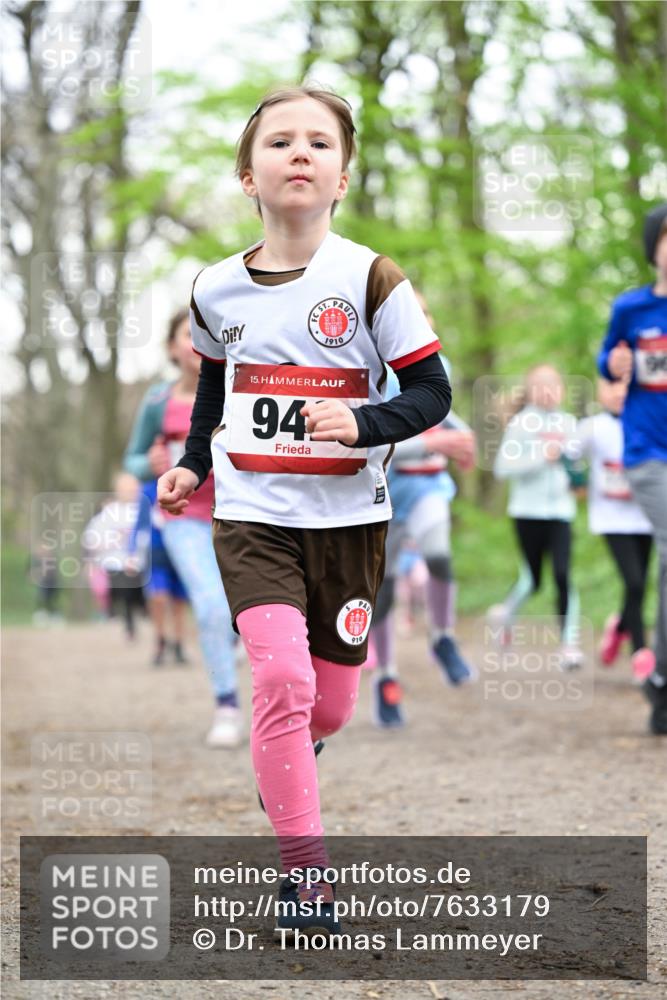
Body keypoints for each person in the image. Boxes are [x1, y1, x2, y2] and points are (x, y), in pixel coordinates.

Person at [157, 84, 451, 937]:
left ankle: (293, 754)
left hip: (350, 520)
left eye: (318, 144)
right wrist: (190, 463)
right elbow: (218, 383)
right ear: (247, 175)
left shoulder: (371, 278)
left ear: (342, 177)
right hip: (252, 515)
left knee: (327, 709)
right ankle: (304, 877)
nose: (299, 154)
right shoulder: (215, 289)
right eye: (278, 142)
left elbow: (431, 393)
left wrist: (362, 420)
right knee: (280, 682)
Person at [124, 310, 242, 748]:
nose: (194, 345)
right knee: (210, 606)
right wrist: (149, 465)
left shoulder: (239, 390)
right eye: (184, 337)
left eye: (201, 337)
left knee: (238, 611)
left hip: (243, 514)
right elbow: (132, 458)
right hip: (183, 519)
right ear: (172, 348)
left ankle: (235, 653)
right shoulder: (157, 401)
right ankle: (226, 704)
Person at [369, 347, 477, 729]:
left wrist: (464, 438)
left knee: (438, 555)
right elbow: (370, 438)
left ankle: (443, 636)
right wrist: (431, 444)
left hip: (430, 488)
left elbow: (446, 417)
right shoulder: (371, 367)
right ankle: (386, 676)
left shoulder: (437, 363)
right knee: (382, 591)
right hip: (383, 497)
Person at [598, 202, 667, 734]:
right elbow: (608, 358)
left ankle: (660, 677)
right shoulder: (632, 308)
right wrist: (614, 364)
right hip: (646, 451)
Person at [488, 364, 583, 669]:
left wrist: (580, 481)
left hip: (561, 513)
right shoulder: (521, 424)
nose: (549, 391)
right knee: (533, 581)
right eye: (542, 385)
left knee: (563, 574)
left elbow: (578, 465)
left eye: (555, 384)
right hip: (527, 513)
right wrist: (543, 456)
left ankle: (569, 645)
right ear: (530, 390)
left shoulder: (569, 423)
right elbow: (503, 468)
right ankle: (505, 618)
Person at [574, 379, 653, 679]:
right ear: (599, 391)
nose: (619, 393)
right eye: (611, 386)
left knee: (641, 585)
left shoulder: (648, 421)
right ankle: (641, 656)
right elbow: (568, 453)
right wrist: (577, 481)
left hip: (645, 517)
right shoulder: (594, 426)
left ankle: (618, 627)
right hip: (611, 518)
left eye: (625, 386)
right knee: (634, 583)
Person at [127, 478, 190, 667]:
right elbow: (140, 523)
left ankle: (179, 644)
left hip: (180, 550)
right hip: (156, 551)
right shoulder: (148, 489)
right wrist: (131, 552)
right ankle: (161, 640)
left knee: (179, 601)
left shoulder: (187, 481)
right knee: (159, 598)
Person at [81, 473, 146, 639]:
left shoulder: (146, 508)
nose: (131, 492)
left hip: (143, 562)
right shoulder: (108, 512)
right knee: (125, 592)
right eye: (126, 489)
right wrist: (115, 540)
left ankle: (140, 615)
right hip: (116, 563)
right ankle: (128, 622)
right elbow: (91, 538)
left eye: (133, 488)